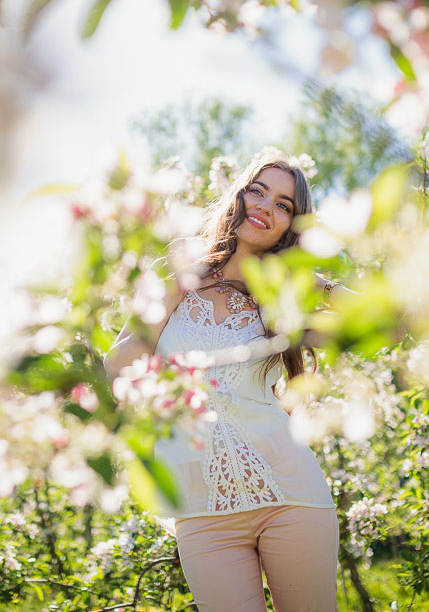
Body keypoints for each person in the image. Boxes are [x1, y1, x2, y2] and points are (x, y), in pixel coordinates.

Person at [103, 156, 353, 612]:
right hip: (201, 512)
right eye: (257, 190)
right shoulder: (179, 275)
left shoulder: (283, 303)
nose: (264, 207)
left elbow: (387, 324)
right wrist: (179, 285)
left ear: (289, 228)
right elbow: (115, 367)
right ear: (238, 194)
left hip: (289, 497)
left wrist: (317, 285)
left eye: (283, 204)